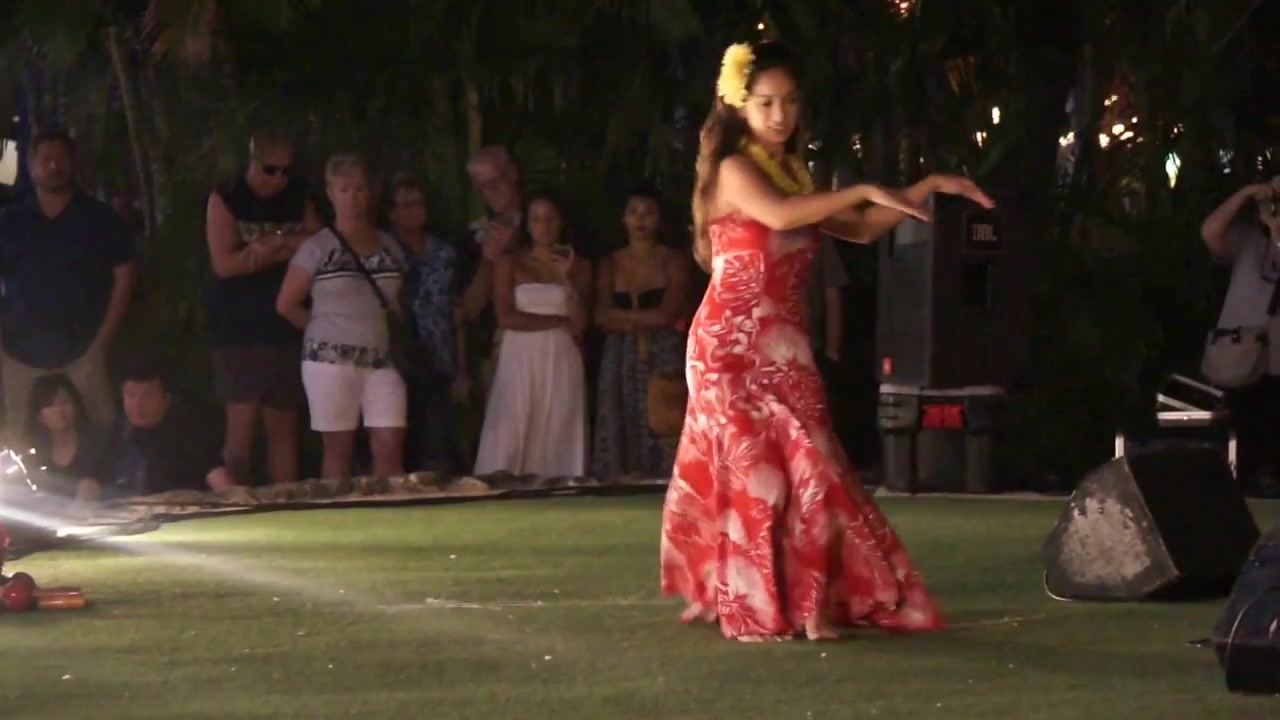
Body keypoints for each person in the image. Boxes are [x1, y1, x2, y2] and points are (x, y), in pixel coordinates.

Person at [659, 41, 995, 642]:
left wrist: (923, 188)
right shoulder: (735, 170)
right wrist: (862, 187)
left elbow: (861, 229)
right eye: (766, 103)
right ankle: (764, 602)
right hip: (728, 347)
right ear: (739, 107)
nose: (780, 115)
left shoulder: (795, 175)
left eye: (790, 101)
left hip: (786, 347)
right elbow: (782, 216)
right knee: (760, 477)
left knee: (814, 467)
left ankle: (813, 604)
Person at [276, 153, 409, 480]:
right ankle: (338, 507)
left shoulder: (388, 245)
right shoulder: (318, 247)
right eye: (345, 190)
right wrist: (323, 329)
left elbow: (399, 296)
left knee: (390, 441)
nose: (353, 198)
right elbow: (287, 303)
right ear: (332, 194)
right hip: (330, 359)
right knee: (339, 448)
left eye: (359, 189)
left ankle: (389, 505)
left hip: (381, 357)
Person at [0, 130, 136, 441]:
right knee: (20, 440)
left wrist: (102, 341)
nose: (53, 166)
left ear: (73, 164)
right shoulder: (9, 221)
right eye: (46, 159)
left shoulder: (99, 218)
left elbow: (124, 275)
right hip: (19, 353)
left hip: (84, 350)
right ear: (31, 164)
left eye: (61, 159)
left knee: (102, 433)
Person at [204, 129, 320, 487]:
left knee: (283, 427)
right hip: (239, 329)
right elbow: (224, 264)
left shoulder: (298, 195)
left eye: (286, 170)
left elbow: (319, 242)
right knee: (241, 430)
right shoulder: (227, 197)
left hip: (286, 326)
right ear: (252, 162)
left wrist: (275, 242)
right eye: (270, 169)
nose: (278, 178)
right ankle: (236, 503)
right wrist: (282, 252)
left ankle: (285, 503)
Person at [473, 192, 591, 476]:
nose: (544, 226)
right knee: (513, 425)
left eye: (550, 219)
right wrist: (557, 321)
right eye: (537, 220)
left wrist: (566, 279)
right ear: (528, 225)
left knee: (557, 423)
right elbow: (506, 316)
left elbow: (580, 325)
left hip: (561, 356)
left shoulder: (579, 266)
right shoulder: (510, 263)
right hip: (520, 356)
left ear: (560, 222)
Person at [591, 184, 693, 478]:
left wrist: (622, 317)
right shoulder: (611, 263)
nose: (640, 220)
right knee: (617, 412)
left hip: (663, 351)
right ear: (623, 219)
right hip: (620, 353)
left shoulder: (673, 259)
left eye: (648, 213)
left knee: (664, 415)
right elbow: (600, 316)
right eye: (633, 212)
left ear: (659, 219)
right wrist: (645, 318)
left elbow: (667, 313)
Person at [1200, 176, 1280, 496]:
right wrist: (1246, 194)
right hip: (1241, 355)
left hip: (1276, 360)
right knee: (1241, 425)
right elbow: (1210, 233)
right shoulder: (1248, 240)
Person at [389, 173, 468, 473]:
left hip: (439, 361)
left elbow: (456, 311)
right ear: (391, 211)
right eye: (405, 204)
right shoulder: (384, 250)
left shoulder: (444, 253)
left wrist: (461, 369)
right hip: (396, 361)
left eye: (419, 203)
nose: (414, 210)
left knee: (438, 452)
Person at [25, 373, 114, 503]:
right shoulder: (33, 456)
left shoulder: (100, 443)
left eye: (65, 402)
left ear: (76, 406)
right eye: (50, 405)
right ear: (39, 416)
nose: (59, 410)